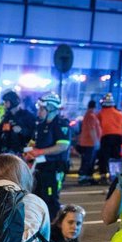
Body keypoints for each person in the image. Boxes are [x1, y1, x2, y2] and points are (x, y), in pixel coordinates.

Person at [26, 92, 71, 220]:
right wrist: (29, 151)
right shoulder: (40, 125)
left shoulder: (61, 124)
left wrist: (39, 152)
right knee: (38, 197)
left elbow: (62, 146)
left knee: (51, 200)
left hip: (54, 168)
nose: (39, 111)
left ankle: (54, 228)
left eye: (41, 108)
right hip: (41, 168)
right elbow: (34, 143)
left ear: (50, 108)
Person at [0, 90, 36, 156]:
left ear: (13, 102)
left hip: (23, 151)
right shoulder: (7, 117)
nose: (4, 104)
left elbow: (33, 134)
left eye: (6, 102)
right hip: (7, 150)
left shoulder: (27, 116)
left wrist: (21, 130)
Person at [97, 93, 122, 185]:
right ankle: (116, 176)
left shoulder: (100, 113)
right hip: (118, 136)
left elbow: (97, 126)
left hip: (106, 136)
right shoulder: (120, 114)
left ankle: (103, 176)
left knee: (104, 157)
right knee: (115, 157)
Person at [77, 100, 101, 184]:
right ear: (95, 106)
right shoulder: (91, 116)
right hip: (89, 143)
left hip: (87, 142)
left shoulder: (88, 115)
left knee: (87, 160)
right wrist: (96, 141)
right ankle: (84, 178)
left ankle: (87, 177)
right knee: (88, 161)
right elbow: (92, 129)